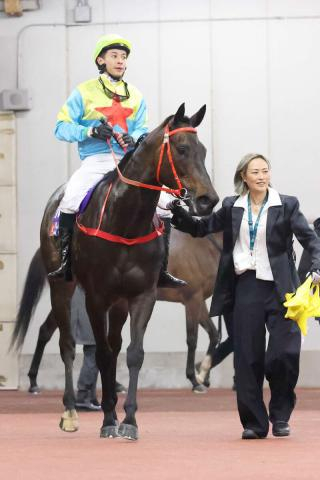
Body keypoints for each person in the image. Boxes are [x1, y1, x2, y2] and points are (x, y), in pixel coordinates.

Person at [168, 152, 320, 440]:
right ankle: (254, 423)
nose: (262, 176)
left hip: (282, 289)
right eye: (255, 172)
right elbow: (201, 228)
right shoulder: (232, 206)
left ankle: (280, 414)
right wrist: (178, 215)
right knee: (248, 359)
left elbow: (310, 241)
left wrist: (317, 265)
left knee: (284, 355)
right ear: (244, 178)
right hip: (246, 287)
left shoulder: (286, 205)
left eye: (265, 170)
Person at [48, 33, 185, 288]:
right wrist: (89, 131)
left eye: (123, 57)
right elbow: (60, 127)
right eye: (114, 56)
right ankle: (66, 262)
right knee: (70, 199)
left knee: (166, 202)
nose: (120, 61)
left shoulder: (135, 94)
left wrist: (134, 139)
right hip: (96, 160)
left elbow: (142, 128)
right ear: (101, 60)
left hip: (129, 162)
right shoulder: (83, 92)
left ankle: (161, 269)